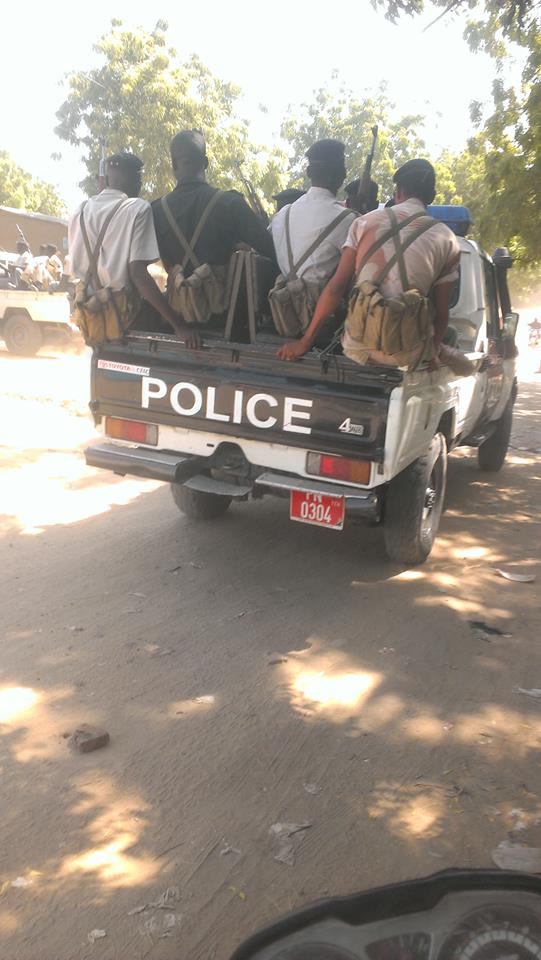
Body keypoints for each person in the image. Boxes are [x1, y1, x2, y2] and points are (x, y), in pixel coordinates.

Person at [278, 158, 461, 366]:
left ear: (398, 191)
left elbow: (336, 288)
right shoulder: (448, 240)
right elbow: (441, 314)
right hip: (407, 354)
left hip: (356, 347)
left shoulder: (363, 222)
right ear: (432, 196)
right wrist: (433, 354)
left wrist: (304, 343)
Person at [68, 152, 197, 345]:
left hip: (92, 315)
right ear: (134, 180)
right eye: (140, 179)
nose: (141, 185)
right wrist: (180, 327)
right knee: (176, 311)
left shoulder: (80, 210)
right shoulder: (137, 208)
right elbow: (138, 275)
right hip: (125, 316)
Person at [152, 130, 276, 321]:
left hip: (177, 316)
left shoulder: (156, 210)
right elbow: (272, 251)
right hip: (224, 318)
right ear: (206, 163)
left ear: (174, 164)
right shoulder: (230, 203)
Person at [270, 139, 357, 288]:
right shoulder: (348, 219)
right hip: (326, 308)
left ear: (309, 173)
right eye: (343, 168)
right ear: (339, 175)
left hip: (281, 306)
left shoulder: (282, 215)